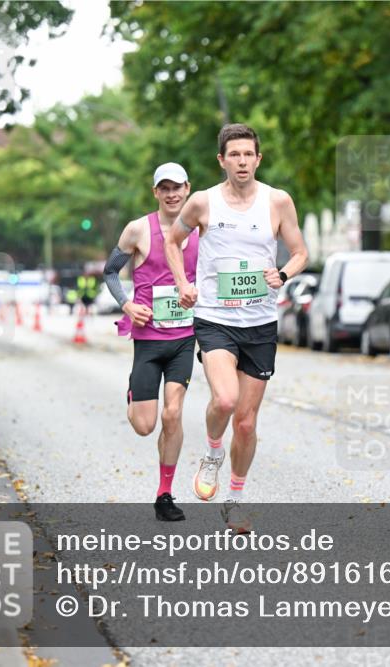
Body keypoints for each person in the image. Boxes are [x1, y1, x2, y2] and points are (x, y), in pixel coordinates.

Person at [165, 123, 308, 533]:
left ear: (258, 159)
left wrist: (284, 273)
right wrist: (183, 284)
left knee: (246, 421)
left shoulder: (277, 201)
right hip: (216, 319)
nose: (242, 162)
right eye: (235, 155)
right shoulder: (202, 202)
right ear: (222, 160)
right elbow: (173, 242)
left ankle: (237, 499)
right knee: (224, 401)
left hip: (260, 323)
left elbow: (300, 252)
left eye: (249, 155)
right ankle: (212, 453)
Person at [103, 162, 198, 521]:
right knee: (145, 425)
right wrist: (127, 304)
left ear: (188, 189)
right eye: (165, 188)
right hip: (147, 339)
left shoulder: (202, 229)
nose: (172, 194)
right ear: (156, 192)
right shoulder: (137, 229)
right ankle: (134, 392)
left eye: (178, 187)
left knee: (173, 413)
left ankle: (164, 494)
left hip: (184, 338)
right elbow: (110, 271)